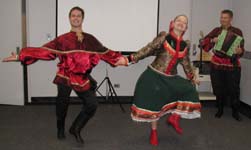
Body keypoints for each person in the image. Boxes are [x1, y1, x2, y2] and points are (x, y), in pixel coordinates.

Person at [2, 6, 127, 145]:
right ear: (69, 18)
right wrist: (20, 55)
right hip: (65, 76)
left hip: (82, 78)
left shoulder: (91, 39)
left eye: (78, 15)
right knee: (62, 104)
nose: (76, 18)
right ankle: (60, 127)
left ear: (82, 18)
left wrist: (128, 59)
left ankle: (75, 128)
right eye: (73, 15)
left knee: (92, 105)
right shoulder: (62, 40)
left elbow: (106, 52)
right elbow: (43, 51)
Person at [125, 15, 201, 146]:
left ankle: (174, 118)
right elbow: (147, 50)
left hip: (171, 78)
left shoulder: (185, 45)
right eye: (179, 21)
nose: (181, 23)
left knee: (190, 89)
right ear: (173, 23)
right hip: (155, 75)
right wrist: (130, 59)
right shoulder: (164, 38)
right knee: (155, 106)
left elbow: (186, 63)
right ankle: (154, 132)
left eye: (184, 23)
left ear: (186, 28)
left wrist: (192, 77)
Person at [201, 9, 245, 121]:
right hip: (217, 63)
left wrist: (240, 51)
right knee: (218, 88)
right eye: (221, 17)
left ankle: (235, 112)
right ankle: (220, 109)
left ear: (230, 19)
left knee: (234, 89)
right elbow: (203, 42)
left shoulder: (237, 31)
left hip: (232, 64)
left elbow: (241, 48)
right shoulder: (216, 30)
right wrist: (212, 40)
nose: (222, 20)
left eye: (225, 18)